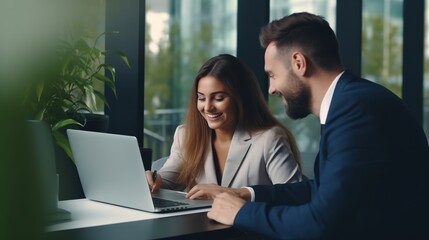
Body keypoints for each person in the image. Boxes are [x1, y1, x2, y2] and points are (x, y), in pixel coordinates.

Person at [203, 12, 429, 239]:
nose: (271, 88)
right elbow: (319, 190)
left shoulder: (356, 110)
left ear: (299, 63)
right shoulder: (351, 102)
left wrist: (242, 213)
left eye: (272, 75)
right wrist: (245, 194)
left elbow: (320, 224)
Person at [145, 54, 304, 193]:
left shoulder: (269, 139)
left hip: (247, 226)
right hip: (200, 226)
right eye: (201, 98)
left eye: (218, 98)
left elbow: (293, 195)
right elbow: (169, 179)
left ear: (240, 98)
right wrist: (154, 180)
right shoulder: (186, 134)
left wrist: (237, 194)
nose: (208, 107)